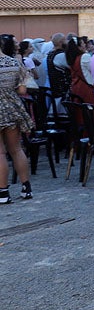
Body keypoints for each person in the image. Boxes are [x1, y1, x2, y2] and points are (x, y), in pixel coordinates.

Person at [0, 34, 34, 203]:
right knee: (17, 149)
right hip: (13, 108)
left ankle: (3, 193)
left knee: (0, 153)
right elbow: (22, 90)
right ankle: (26, 187)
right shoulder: (14, 63)